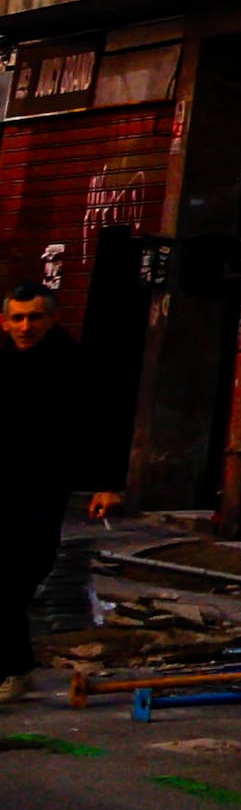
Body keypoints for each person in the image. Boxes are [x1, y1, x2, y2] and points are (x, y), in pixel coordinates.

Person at [0, 281, 120, 706]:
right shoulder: (3, 362)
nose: (25, 326)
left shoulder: (72, 365)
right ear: (4, 322)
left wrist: (107, 483)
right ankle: (13, 666)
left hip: (41, 491)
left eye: (34, 317)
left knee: (14, 578)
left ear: (52, 319)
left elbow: (100, 425)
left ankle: (16, 669)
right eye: (17, 318)